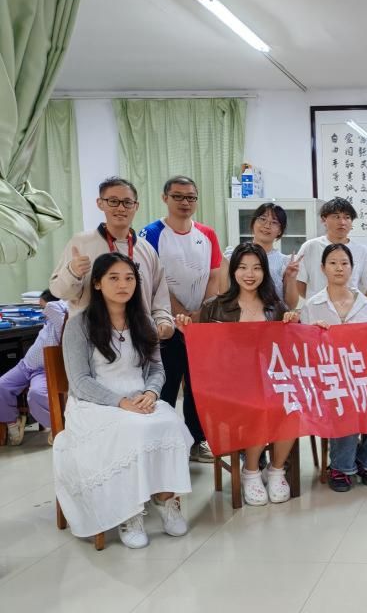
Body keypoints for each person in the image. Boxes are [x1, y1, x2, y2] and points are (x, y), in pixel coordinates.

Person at [53, 253, 191, 549]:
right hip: (94, 404)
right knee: (132, 429)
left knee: (171, 423)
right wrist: (121, 402)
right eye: (113, 278)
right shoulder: (79, 325)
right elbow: (80, 382)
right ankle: (130, 513)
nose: (122, 285)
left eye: (129, 278)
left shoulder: (144, 322)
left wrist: (151, 393)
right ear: (97, 283)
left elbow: (157, 369)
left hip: (140, 398)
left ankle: (166, 499)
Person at [179, 243, 299, 505]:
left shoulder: (275, 307)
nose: (249, 274)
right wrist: (187, 329)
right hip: (227, 388)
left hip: (268, 382)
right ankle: (251, 470)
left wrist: (292, 326)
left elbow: (286, 352)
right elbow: (203, 350)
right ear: (233, 271)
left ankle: (276, 469)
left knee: (293, 405)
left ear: (264, 272)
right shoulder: (214, 307)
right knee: (258, 406)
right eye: (243, 267)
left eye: (256, 268)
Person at [140, 175, 224, 463]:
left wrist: (201, 313)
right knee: (166, 383)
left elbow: (214, 276)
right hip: (164, 323)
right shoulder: (151, 233)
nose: (185, 202)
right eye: (178, 196)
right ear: (165, 198)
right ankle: (162, 446)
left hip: (200, 325)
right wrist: (179, 314)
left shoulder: (207, 234)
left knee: (199, 386)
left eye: (190, 197)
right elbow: (154, 279)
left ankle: (196, 441)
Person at [300, 243, 367, 492]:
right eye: (333, 263)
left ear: (352, 268)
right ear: (323, 268)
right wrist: (313, 333)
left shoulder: (366, 304)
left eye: (344, 263)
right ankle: (341, 465)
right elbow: (304, 351)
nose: (339, 268)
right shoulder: (312, 305)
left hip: (361, 375)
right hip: (327, 379)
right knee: (344, 400)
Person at [50, 176, 174, 336]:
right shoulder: (81, 243)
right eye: (113, 201)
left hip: (137, 337)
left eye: (127, 202)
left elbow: (160, 298)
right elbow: (59, 292)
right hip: (91, 337)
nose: (121, 208)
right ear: (100, 203)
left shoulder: (146, 250)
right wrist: (72, 272)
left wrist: (163, 321)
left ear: (136, 206)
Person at [1, 290, 67, 446]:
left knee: (36, 394)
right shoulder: (48, 321)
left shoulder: (61, 321)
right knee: (1, 385)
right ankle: (13, 422)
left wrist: (60, 298)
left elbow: (53, 307)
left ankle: (55, 426)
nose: (42, 311)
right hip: (26, 365)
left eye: (42, 307)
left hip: (43, 371)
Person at [297, 197, 367, 302]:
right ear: (324, 219)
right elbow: (299, 282)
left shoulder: (362, 250)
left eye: (347, 217)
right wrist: (316, 302)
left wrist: (360, 308)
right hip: (317, 310)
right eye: (336, 217)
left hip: (350, 310)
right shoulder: (310, 246)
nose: (342, 222)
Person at [223, 202, 300, 308]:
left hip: (273, 316)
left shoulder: (284, 262)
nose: (267, 226)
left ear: (280, 231)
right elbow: (224, 293)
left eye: (274, 222)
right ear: (253, 223)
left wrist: (291, 278)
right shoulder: (233, 256)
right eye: (262, 219)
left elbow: (291, 305)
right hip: (239, 315)